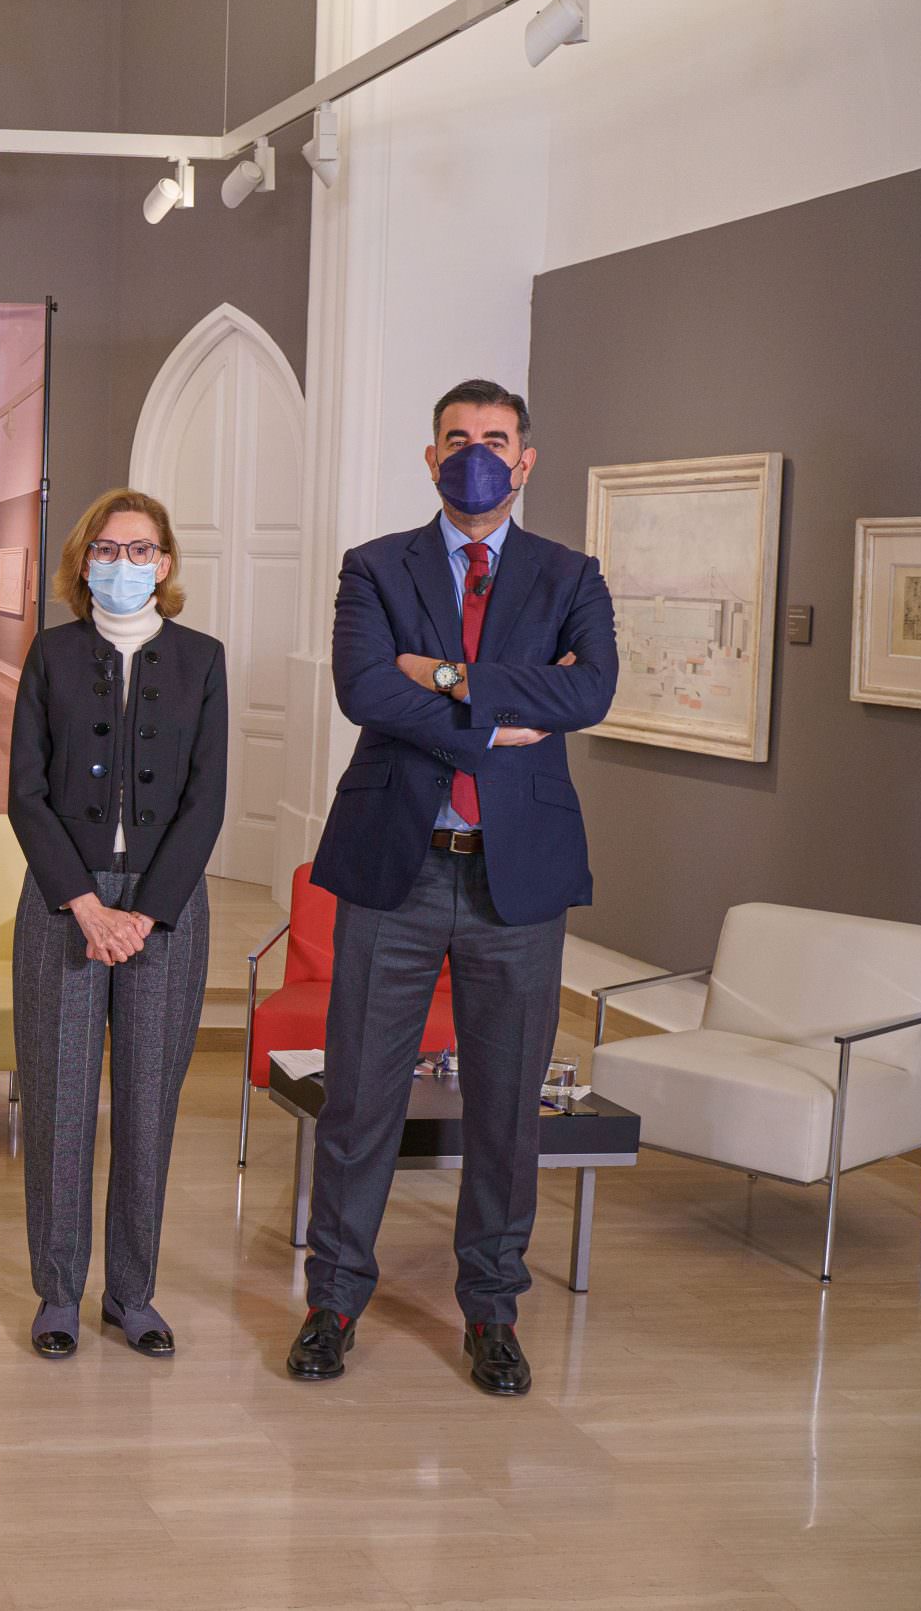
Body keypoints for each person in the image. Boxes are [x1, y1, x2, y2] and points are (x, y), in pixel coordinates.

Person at [287, 378, 616, 1397]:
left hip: (519, 876)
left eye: (496, 438)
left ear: (525, 460)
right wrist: (495, 716)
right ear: (430, 457)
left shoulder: (570, 574)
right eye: (457, 438)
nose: (476, 453)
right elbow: (362, 687)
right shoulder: (374, 565)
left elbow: (590, 689)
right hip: (396, 863)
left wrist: (444, 675)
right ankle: (333, 1301)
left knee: (508, 1110)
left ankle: (491, 1311)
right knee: (359, 1099)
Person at [5, 489, 226, 1360]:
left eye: (139, 550)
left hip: (164, 908)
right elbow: (25, 792)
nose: (122, 563)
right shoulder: (51, 653)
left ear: (164, 564)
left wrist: (145, 911)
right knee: (58, 1102)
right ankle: (58, 1291)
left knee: (146, 1105)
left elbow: (207, 800)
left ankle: (133, 1292)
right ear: (83, 560)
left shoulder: (202, 659)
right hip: (65, 901)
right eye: (106, 548)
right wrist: (86, 903)